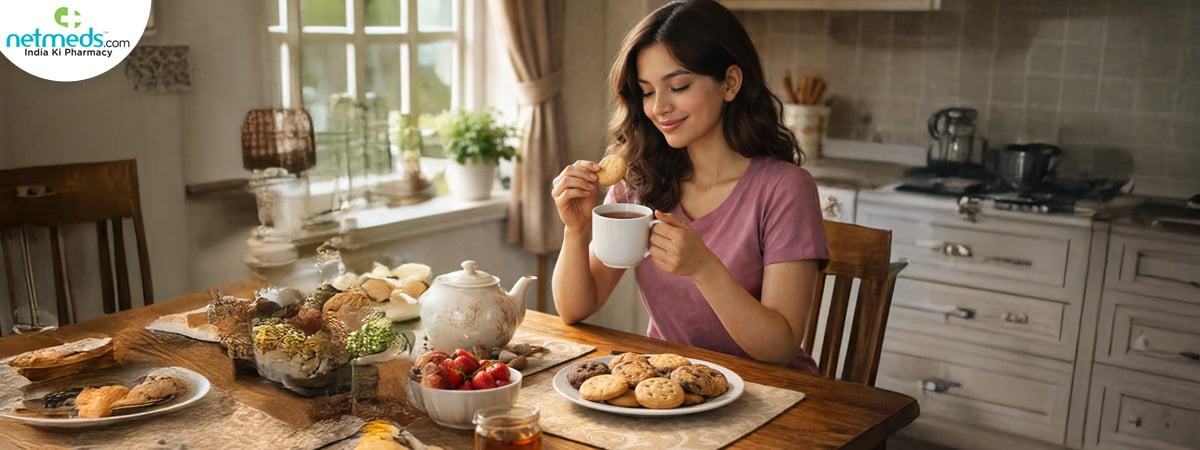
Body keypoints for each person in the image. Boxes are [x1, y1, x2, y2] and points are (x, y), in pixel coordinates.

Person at [549, 0, 828, 371]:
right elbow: (574, 309)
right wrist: (576, 229)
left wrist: (704, 268)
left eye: (678, 86)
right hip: (670, 387)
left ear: (729, 83)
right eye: (647, 91)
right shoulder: (638, 180)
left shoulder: (784, 189)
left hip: (770, 394)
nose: (658, 107)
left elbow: (779, 348)